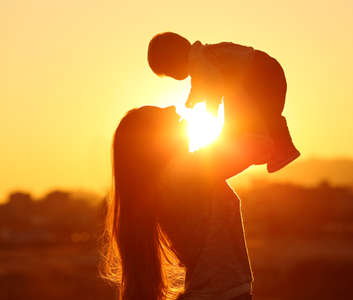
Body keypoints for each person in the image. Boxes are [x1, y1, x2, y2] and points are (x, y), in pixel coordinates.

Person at [101, 105, 273, 300]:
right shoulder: (182, 174)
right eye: (161, 113)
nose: (173, 107)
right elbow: (257, 145)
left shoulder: (176, 177)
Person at [147, 32, 300, 173]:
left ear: (175, 59)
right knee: (264, 114)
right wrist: (192, 99)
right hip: (269, 69)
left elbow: (214, 84)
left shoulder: (200, 62)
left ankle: (253, 140)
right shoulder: (201, 58)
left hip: (258, 74)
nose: (174, 77)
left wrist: (211, 111)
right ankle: (279, 147)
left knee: (238, 108)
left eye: (169, 72)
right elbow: (201, 84)